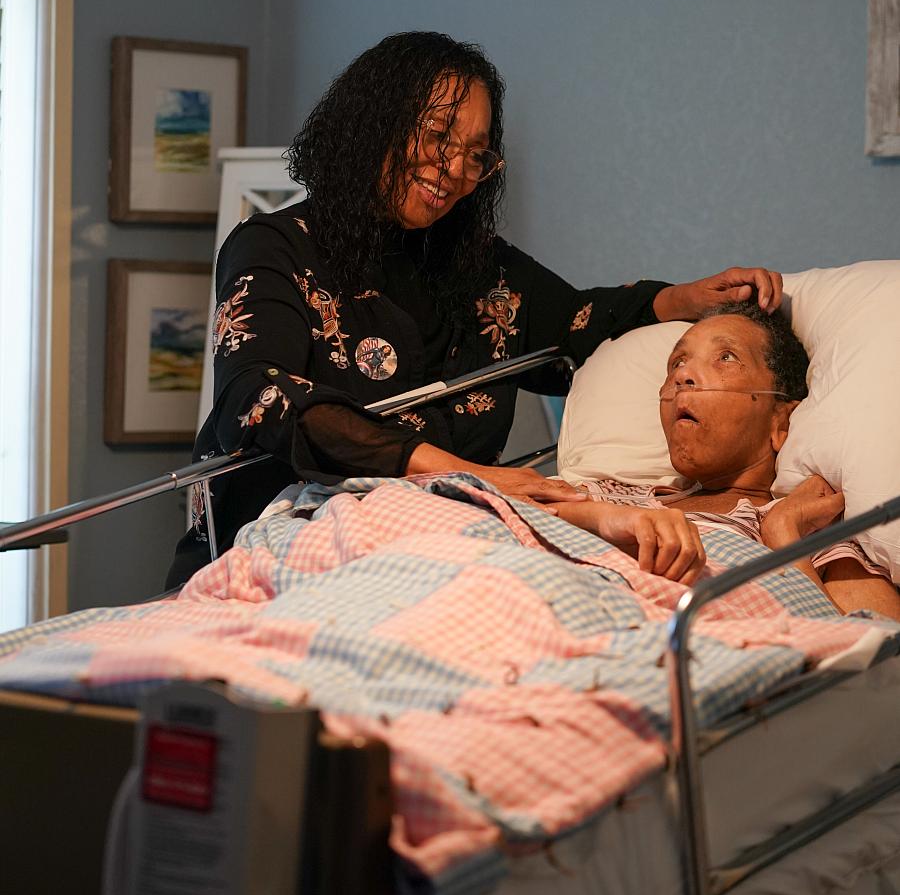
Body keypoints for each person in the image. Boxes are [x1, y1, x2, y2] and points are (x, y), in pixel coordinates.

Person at [167, 32, 782, 586]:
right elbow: (260, 396)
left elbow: (577, 322)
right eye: (437, 138)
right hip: (275, 547)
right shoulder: (274, 246)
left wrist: (684, 299)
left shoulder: (480, 268)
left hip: (436, 558)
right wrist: (463, 474)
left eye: (476, 155)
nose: (455, 171)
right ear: (373, 124)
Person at [553, 303, 900, 618]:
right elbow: (507, 510)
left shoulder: (812, 538)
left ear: (781, 422)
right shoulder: (613, 495)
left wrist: (784, 537)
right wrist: (607, 519)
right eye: (677, 362)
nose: (682, 376)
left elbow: (878, 659)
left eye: (726, 357)